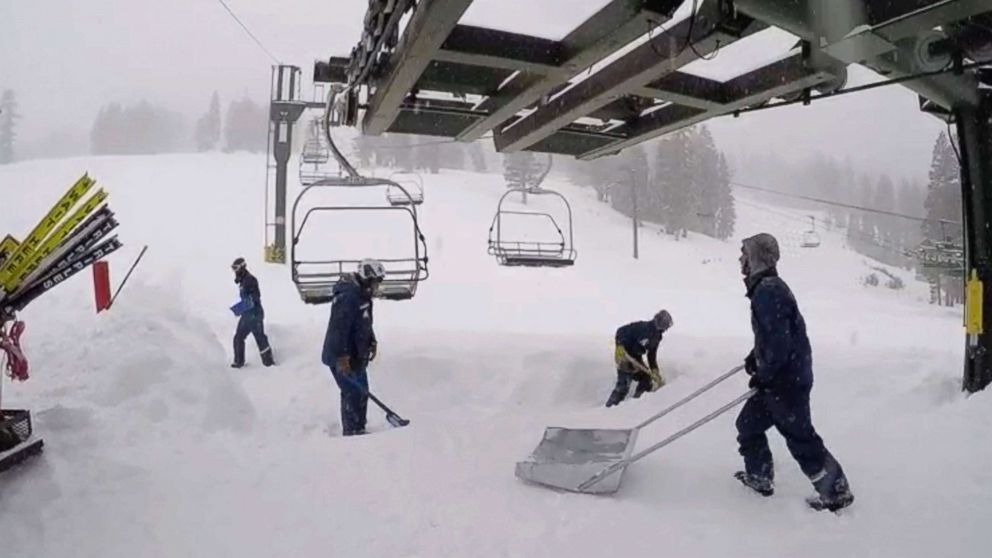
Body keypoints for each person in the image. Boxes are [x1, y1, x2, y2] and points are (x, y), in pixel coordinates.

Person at [734, 233, 854, 512]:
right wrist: (756, 358)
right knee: (748, 425)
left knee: (800, 437)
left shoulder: (768, 291)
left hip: (786, 382)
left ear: (755, 259)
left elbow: (779, 343)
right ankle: (759, 477)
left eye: (744, 254)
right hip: (780, 377)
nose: (740, 259)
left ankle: (836, 492)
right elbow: (773, 336)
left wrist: (765, 373)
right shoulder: (766, 288)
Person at [321, 259, 385, 436]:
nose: (377, 287)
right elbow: (338, 329)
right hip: (342, 356)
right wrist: (341, 357)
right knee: (352, 393)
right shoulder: (348, 297)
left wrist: (371, 341)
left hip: (357, 355)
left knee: (362, 393)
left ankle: (360, 427)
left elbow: (363, 322)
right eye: (375, 282)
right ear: (366, 278)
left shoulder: (363, 295)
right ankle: (352, 433)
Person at [606, 310, 673, 407]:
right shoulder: (642, 327)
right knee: (624, 385)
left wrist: (654, 370)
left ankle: (637, 404)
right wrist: (620, 345)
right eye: (664, 325)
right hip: (625, 355)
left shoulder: (657, 337)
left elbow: (651, 355)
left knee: (646, 379)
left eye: (666, 326)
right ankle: (610, 407)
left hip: (636, 358)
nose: (665, 328)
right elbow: (620, 331)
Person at [230, 257, 275, 368]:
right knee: (239, 337)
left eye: (235, 268)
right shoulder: (243, 281)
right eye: (233, 268)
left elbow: (254, 298)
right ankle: (239, 362)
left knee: (259, 337)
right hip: (247, 315)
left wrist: (239, 308)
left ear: (242, 267)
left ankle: (268, 363)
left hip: (254, 314)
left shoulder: (250, 280)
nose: (234, 271)